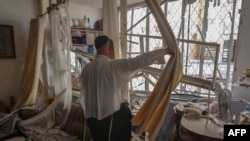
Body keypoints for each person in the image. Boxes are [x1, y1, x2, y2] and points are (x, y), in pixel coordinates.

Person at [79, 35, 173, 141]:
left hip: (92, 118)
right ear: (110, 48)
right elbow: (139, 61)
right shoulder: (115, 66)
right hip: (114, 117)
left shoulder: (86, 69)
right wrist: (164, 51)